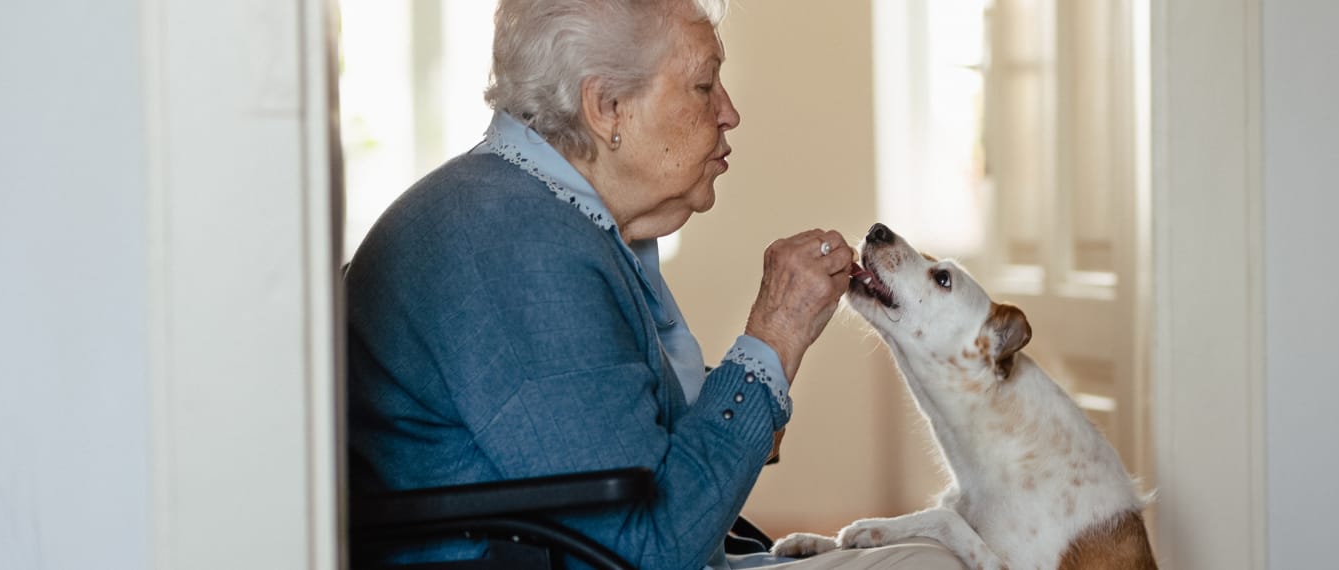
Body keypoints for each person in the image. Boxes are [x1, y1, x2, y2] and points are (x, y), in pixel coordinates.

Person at [345, 0, 964, 568]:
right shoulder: (517, 246)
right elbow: (649, 550)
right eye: (704, 85)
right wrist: (776, 336)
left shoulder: (530, 212)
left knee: (931, 552)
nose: (729, 112)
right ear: (607, 107)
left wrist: (737, 405)